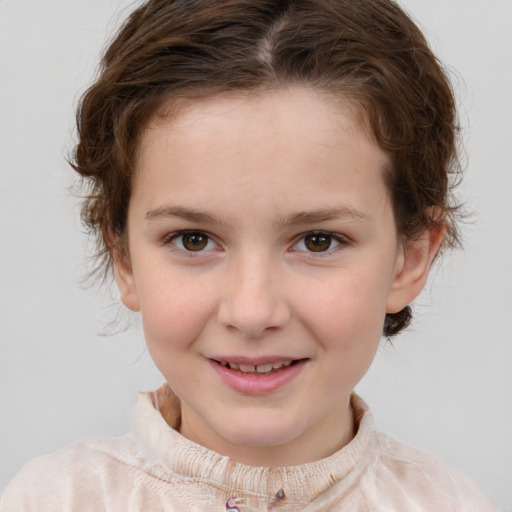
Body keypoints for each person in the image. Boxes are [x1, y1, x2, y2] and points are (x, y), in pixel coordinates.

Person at [0, 0, 500, 510]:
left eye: (317, 241)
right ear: (124, 257)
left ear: (410, 257)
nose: (253, 312)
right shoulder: (54, 500)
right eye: (193, 239)